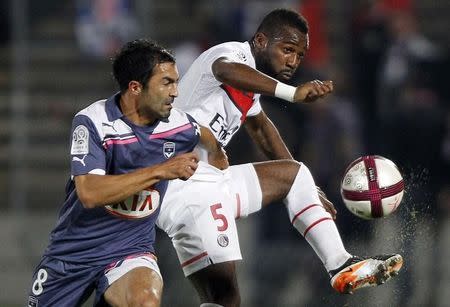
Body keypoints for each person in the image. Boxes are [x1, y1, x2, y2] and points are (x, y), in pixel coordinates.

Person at [156, 8, 403, 306]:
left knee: (223, 296)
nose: (293, 61)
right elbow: (225, 70)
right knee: (222, 294)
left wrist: (307, 190)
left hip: (208, 183)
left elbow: (261, 128)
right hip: (183, 182)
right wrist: (292, 93)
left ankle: (340, 264)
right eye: (287, 49)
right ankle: (338, 262)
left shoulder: (251, 87)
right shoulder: (230, 54)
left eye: (299, 55)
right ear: (260, 41)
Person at [27, 39, 228, 307]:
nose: (176, 92)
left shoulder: (178, 125)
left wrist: (217, 158)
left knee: (144, 301)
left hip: (130, 253)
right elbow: (89, 193)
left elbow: (205, 136)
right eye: (166, 82)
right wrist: (161, 171)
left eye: (176, 82)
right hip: (72, 254)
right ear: (135, 87)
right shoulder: (93, 123)